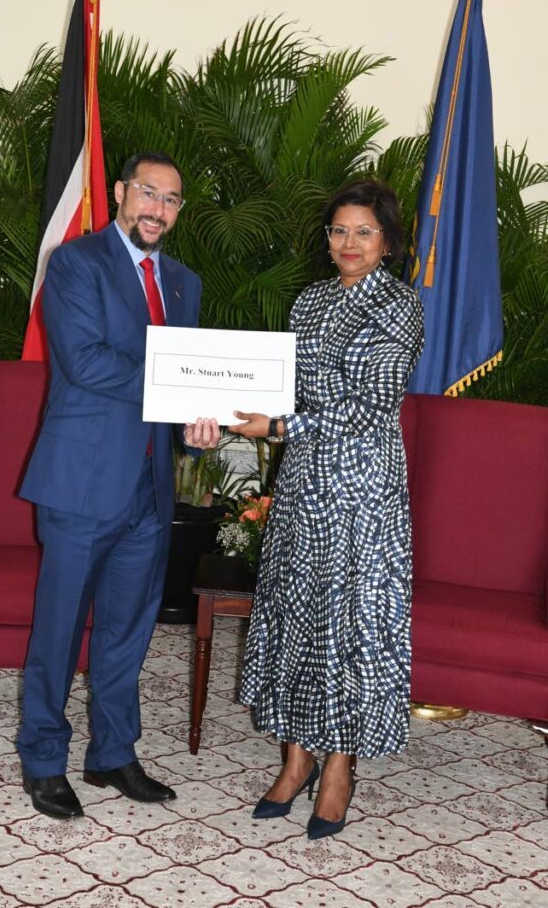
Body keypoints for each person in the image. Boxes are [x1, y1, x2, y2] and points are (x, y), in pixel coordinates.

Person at [17, 152, 219, 819]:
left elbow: (187, 382)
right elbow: (85, 364)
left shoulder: (186, 282)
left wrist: (196, 418)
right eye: (147, 193)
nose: (157, 209)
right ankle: (43, 758)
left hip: (149, 487)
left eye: (171, 199)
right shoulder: (76, 263)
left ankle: (111, 753)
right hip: (80, 482)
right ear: (118, 193)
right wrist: (180, 388)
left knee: (127, 631)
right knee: (59, 629)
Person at [229, 179, 424, 840]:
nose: (347, 243)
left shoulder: (398, 306)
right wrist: (227, 404)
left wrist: (278, 427)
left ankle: (338, 768)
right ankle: (294, 757)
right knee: (294, 610)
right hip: (305, 480)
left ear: (388, 242)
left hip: (362, 486)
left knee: (346, 624)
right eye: (338, 230)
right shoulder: (308, 302)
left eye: (363, 232)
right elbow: (284, 386)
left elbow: (369, 406)